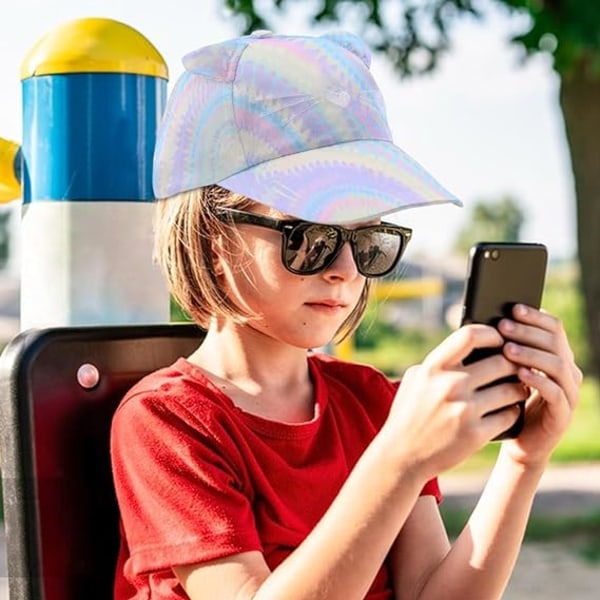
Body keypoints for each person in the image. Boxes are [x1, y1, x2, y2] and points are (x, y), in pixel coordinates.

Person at [110, 31, 582, 600]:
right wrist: (399, 459)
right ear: (212, 238)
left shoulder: (370, 403)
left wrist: (524, 459)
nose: (344, 269)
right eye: (307, 236)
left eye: (368, 241)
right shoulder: (166, 423)